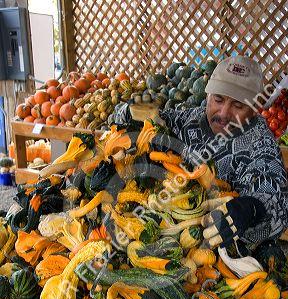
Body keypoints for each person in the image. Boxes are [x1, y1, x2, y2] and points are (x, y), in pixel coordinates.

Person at [116, 55, 288, 249]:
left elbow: (276, 208)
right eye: (218, 99)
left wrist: (252, 210)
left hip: (222, 252)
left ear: (255, 109)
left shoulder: (261, 145)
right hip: (163, 233)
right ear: (207, 95)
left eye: (238, 105)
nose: (223, 113)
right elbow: (129, 122)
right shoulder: (189, 119)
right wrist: (129, 113)